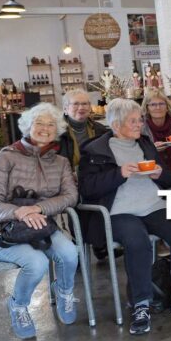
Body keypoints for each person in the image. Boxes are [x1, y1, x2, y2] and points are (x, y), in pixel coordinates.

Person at [78, 98, 171, 335]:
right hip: (119, 211)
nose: (139, 124)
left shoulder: (145, 144)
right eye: (133, 121)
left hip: (153, 205)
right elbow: (87, 188)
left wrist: (160, 174)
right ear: (116, 125)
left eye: (139, 120)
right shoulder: (94, 150)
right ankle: (141, 304)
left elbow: (165, 178)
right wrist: (119, 174)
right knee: (137, 241)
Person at [0, 103, 80, 339]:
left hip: (41, 228)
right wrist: (20, 212)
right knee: (37, 263)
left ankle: (64, 292)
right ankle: (19, 305)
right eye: (39, 123)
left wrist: (38, 208)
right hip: (1, 233)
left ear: (57, 130)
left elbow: (70, 196)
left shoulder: (61, 162)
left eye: (51, 124)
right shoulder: (4, 158)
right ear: (27, 126)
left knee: (69, 253)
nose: (45, 128)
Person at [58, 90, 111, 260]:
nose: (81, 108)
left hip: (93, 177)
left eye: (85, 104)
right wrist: (69, 175)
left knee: (105, 191)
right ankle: (80, 246)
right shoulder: (57, 133)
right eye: (76, 104)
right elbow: (51, 161)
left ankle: (99, 241)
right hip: (67, 181)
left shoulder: (100, 130)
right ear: (65, 109)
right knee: (76, 198)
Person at [140, 88, 171, 182]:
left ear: (167, 106)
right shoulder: (140, 127)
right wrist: (152, 149)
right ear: (147, 108)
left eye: (161, 104)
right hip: (152, 175)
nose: (158, 107)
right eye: (153, 104)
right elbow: (138, 153)